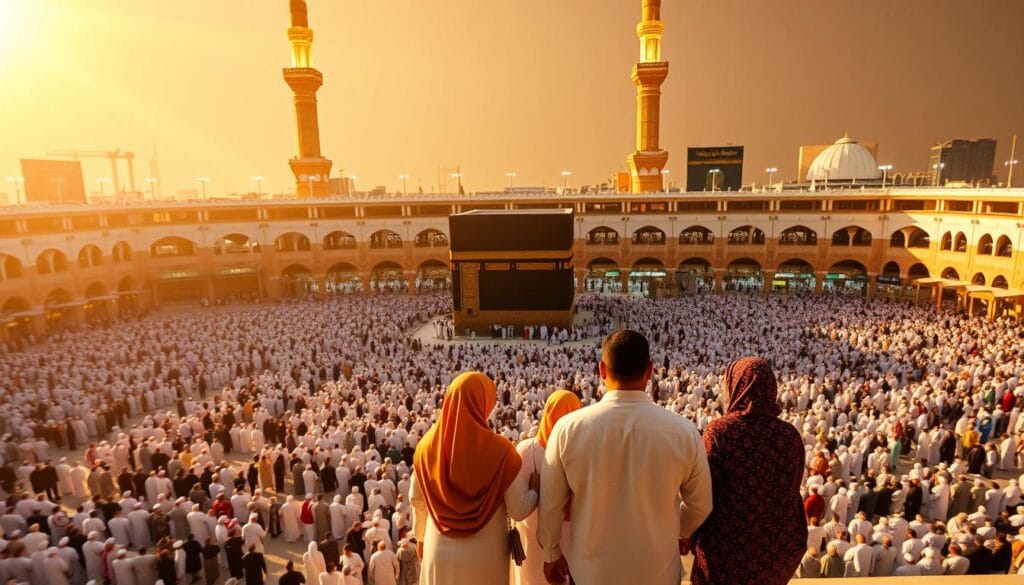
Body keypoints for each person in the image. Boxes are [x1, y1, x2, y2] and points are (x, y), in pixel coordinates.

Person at [538, 330, 712, 585]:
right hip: (657, 573)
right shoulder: (683, 432)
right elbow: (700, 505)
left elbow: (551, 504)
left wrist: (551, 553)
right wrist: (680, 530)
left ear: (601, 369)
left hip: (591, 574)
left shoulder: (567, 430)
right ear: (651, 370)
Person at [410, 371, 538, 585]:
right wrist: (534, 490)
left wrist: (420, 538)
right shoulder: (501, 451)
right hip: (485, 556)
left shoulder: (426, 446)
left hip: (437, 548)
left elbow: (417, 501)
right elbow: (518, 509)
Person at [691, 357, 805, 585]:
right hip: (777, 553)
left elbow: (703, 492)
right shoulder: (789, 435)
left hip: (727, 553)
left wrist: (688, 532)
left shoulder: (720, 432)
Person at [511, 389, 582, 585]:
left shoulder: (526, 449)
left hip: (533, 535)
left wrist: (537, 491)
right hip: (572, 534)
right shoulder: (582, 452)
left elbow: (516, 501)